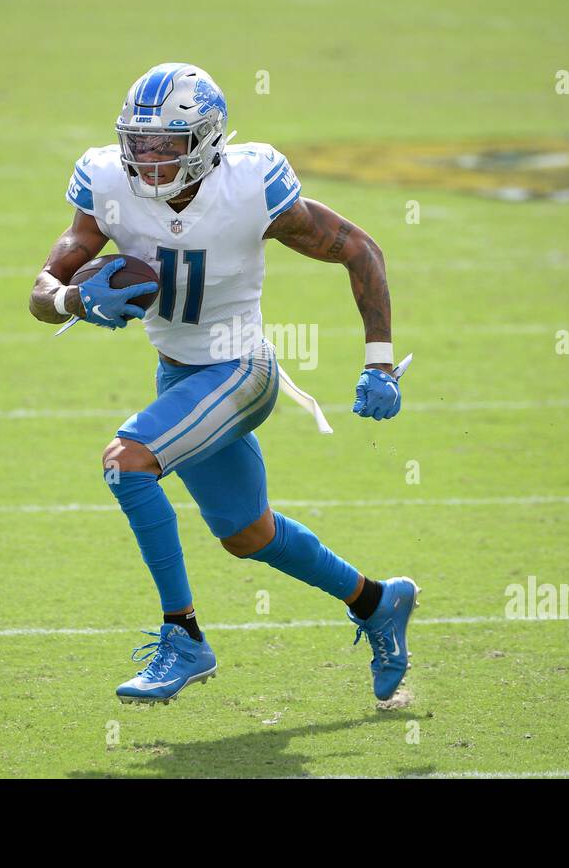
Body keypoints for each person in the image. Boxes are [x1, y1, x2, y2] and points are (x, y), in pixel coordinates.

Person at [29, 63, 417, 704]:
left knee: (127, 464)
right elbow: (40, 292)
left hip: (241, 369)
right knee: (247, 533)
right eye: (139, 141)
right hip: (178, 374)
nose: (148, 158)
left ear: (207, 141)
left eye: (166, 144)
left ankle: (183, 637)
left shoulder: (249, 184)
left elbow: (358, 248)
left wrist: (379, 361)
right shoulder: (104, 179)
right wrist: (72, 299)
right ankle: (377, 601)